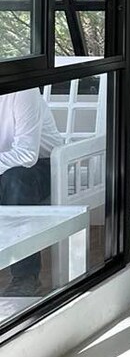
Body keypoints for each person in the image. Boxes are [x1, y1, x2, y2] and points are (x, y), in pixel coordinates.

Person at [0, 87, 64, 294]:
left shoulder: (23, 90)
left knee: (16, 181)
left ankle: (26, 276)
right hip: (4, 166)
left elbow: (27, 155)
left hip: (46, 164)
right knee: (10, 178)